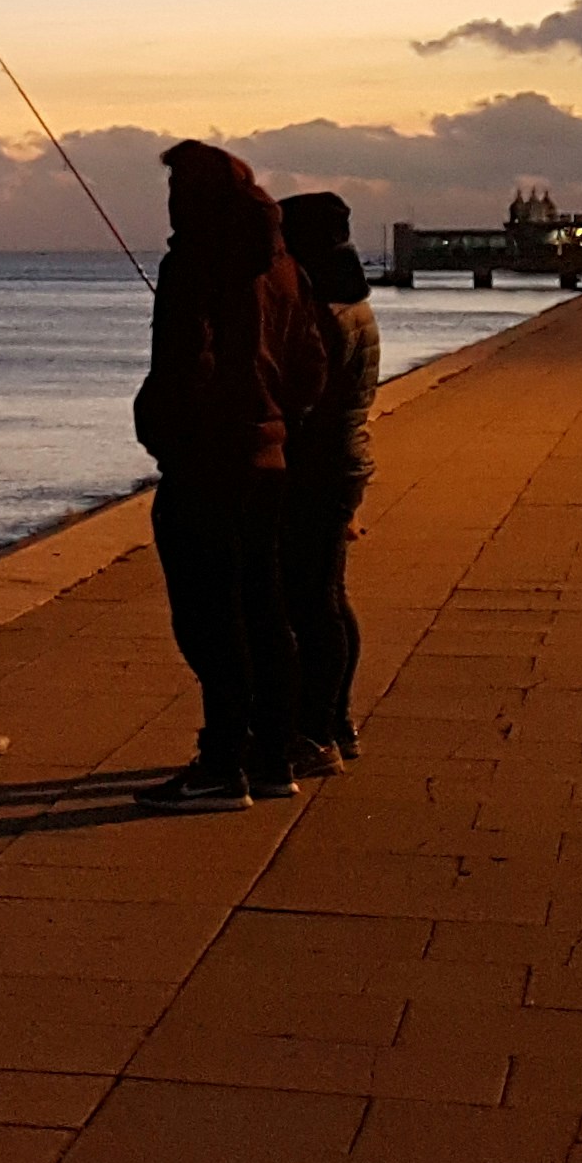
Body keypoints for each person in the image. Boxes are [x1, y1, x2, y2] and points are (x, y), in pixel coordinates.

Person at [130, 141, 335, 812]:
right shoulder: (285, 267)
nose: (167, 202)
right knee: (266, 611)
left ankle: (222, 762)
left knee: (209, 619)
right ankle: (271, 755)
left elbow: (183, 365)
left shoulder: (194, 261)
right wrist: (276, 419)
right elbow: (313, 365)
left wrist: (162, 428)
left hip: (208, 466)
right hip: (270, 462)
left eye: (174, 189)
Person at [276, 191, 380, 775]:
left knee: (311, 605)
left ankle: (316, 731)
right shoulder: (353, 301)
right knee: (329, 600)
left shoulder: (323, 310)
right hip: (344, 460)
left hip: (318, 466)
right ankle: (336, 722)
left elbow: (301, 395)